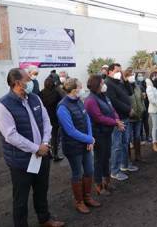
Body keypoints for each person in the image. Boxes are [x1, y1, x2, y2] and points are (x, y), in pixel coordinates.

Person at [0, 68, 64, 227]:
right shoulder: (2, 106)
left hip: (42, 154)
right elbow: (11, 135)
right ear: (17, 83)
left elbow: (46, 121)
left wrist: (45, 144)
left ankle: (44, 219)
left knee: (41, 190)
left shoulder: (35, 98)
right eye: (28, 79)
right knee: (20, 199)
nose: (31, 81)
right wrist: (35, 148)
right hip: (21, 161)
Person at [56, 78, 101, 214]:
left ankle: (87, 197)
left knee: (89, 170)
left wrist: (89, 139)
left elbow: (87, 119)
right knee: (78, 173)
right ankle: (79, 202)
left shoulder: (78, 101)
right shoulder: (62, 107)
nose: (83, 89)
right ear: (74, 89)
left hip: (85, 144)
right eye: (81, 87)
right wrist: (89, 139)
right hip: (72, 147)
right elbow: (70, 130)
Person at [84, 75, 121, 195]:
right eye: (102, 82)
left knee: (106, 158)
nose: (104, 84)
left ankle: (107, 182)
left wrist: (116, 119)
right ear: (97, 84)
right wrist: (115, 122)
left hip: (106, 132)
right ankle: (99, 185)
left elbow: (112, 109)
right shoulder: (90, 100)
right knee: (99, 159)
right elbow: (98, 117)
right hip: (98, 134)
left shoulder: (103, 96)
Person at [106, 63, 138, 181]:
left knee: (125, 142)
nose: (119, 73)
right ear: (109, 72)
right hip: (117, 119)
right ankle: (115, 170)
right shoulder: (108, 84)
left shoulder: (119, 82)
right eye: (116, 71)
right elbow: (113, 102)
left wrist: (125, 80)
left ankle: (125, 165)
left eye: (120, 71)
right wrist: (128, 109)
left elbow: (130, 92)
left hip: (125, 117)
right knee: (117, 145)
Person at [39, 76, 64, 161]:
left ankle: (48, 153)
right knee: (55, 137)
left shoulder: (41, 93)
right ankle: (55, 154)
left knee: (46, 136)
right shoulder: (56, 93)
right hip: (55, 118)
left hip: (45, 117)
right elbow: (61, 104)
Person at [125, 69, 146, 162]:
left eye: (133, 74)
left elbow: (141, 99)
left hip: (138, 116)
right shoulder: (124, 87)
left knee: (137, 137)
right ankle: (128, 159)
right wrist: (129, 111)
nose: (132, 76)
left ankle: (138, 156)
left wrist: (143, 108)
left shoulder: (137, 86)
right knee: (127, 138)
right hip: (129, 117)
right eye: (130, 75)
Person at [137, 71, 151, 143]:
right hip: (139, 107)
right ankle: (141, 137)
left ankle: (147, 136)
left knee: (146, 122)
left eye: (141, 75)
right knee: (140, 122)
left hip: (146, 105)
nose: (140, 76)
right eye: (139, 75)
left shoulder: (146, 84)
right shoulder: (135, 85)